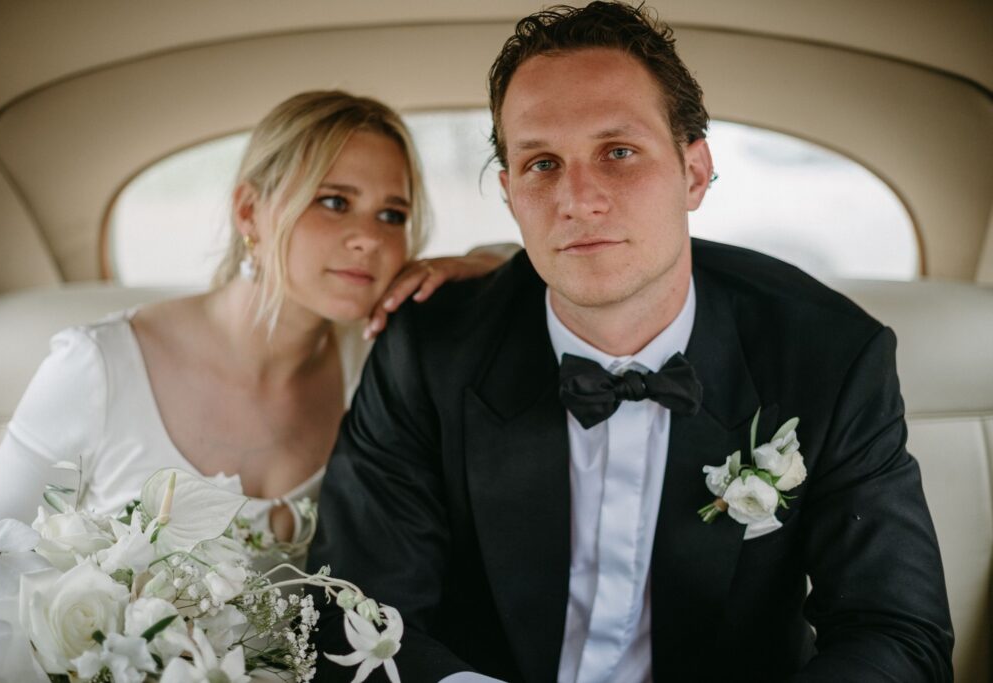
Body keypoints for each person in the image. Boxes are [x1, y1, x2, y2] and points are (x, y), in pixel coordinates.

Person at [307, 3, 954, 682]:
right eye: (542, 163)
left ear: (695, 171)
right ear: (509, 194)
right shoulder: (427, 350)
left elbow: (897, 633)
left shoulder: (828, 354)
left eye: (618, 152)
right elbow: (355, 612)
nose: (577, 198)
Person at [0, 91, 512, 563]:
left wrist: (471, 264)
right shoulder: (99, 366)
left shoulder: (378, 359)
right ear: (249, 211)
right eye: (334, 201)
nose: (369, 238)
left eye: (392, 215)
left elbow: (519, 266)